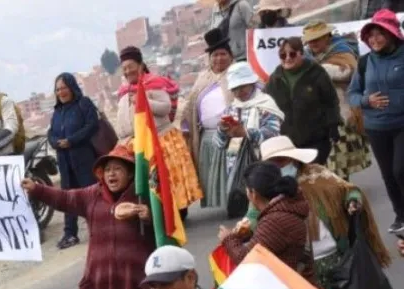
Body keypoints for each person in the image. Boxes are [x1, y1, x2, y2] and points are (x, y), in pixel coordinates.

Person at [22, 145, 156, 289]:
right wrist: (37, 189)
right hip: (108, 284)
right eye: (108, 169)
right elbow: (64, 198)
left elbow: (167, 226)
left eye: (117, 169)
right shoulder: (92, 195)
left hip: (138, 282)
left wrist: (150, 216)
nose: (111, 174)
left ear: (130, 173)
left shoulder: (143, 196)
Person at [256, 136, 395, 289]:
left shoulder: (317, 175)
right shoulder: (264, 189)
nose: (279, 166)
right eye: (273, 163)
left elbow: (347, 189)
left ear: (293, 158)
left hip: (338, 258)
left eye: (282, 160)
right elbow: (253, 219)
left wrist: (353, 201)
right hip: (302, 267)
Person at [116, 46, 203, 220]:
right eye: (124, 68)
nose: (127, 71)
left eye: (130, 66)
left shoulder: (153, 84)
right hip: (138, 144)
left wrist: (144, 100)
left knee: (167, 181)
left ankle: (175, 214)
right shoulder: (124, 92)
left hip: (160, 139)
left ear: (140, 65)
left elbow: (165, 108)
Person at [348, 9, 404, 233]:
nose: (374, 40)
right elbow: (352, 94)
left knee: (401, 170)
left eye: (379, 34)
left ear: (392, 34)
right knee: (389, 175)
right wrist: (366, 100)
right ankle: (400, 216)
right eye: (370, 36)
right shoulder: (364, 63)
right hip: (376, 127)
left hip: (402, 123)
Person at [213, 62, 284, 217]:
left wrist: (246, 132)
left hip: (262, 166)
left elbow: (273, 134)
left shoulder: (265, 104)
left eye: (242, 87)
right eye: (235, 89)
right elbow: (219, 144)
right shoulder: (232, 108)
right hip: (236, 170)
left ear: (252, 83)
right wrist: (223, 130)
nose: (239, 92)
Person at [303, 21, 371, 180]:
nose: (312, 44)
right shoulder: (308, 56)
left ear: (327, 36)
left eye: (316, 39)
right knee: (327, 163)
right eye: (310, 40)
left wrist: (316, 70)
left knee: (338, 164)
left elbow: (348, 72)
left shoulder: (342, 51)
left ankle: (346, 196)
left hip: (341, 115)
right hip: (318, 118)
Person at [180, 29, 236, 206]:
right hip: (208, 136)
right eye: (215, 55)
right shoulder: (203, 78)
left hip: (233, 134)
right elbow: (189, 104)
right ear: (209, 58)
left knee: (233, 170)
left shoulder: (237, 73)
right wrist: (186, 127)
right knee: (213, 172)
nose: (219, 59)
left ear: (230, 55)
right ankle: (221, 200)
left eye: (223, 54)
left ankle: (237, 201)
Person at [265, 37, 341, 165]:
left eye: (292, 54)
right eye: (283, 55)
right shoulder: (275, 78)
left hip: (315, 140)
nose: (288, 58)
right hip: (286, 143)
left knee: (312, 180)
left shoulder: (317, 72)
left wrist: (333, 126)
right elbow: (266, 105)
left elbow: (331, 101)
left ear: (301, 53)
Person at [48, 72, 100, 249]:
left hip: (83, 158)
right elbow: (51, 133)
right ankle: (70, 234)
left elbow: (92, 125)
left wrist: (72, 140)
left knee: (91, 195)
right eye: (57, 89)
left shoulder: (83, 104)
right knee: (68, 197)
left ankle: (100, 229)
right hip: (64, 161)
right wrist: (56, 142)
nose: (61, 92)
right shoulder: (57, 111)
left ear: (72, 87)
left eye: (64, 88)